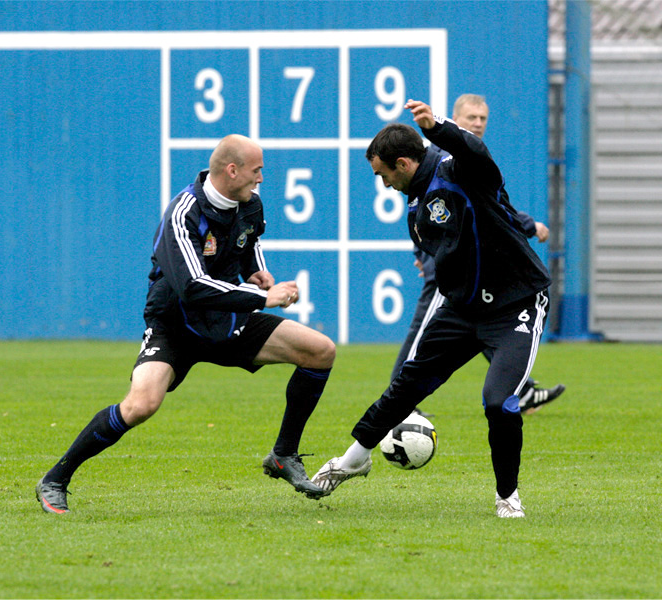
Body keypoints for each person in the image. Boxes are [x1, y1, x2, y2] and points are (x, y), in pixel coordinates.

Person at [35, 134, 335, 513]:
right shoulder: (183, 213)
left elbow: (249, 241)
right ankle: (55, 479)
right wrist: (264, 298)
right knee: (141, 405)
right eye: (257, 170)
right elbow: (193, 287)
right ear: (232, 170)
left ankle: (283, 455)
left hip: (227, 320)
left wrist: (256, 271)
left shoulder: (250, 203)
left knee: (320, 351)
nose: (261, 178)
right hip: (175, 326)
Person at [311, 100, 553, 518]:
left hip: (516, 304)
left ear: (403, 164)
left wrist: (437, 126)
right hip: (463, 309)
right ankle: (353, 460)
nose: (383, 183)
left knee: (499, 402)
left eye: (383, 174)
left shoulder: (458, 171)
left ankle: (507, 496)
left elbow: (476, 151)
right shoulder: (417, 200)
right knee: (407, 384)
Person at [393, 94, 564, 417]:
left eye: (483, 119)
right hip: (449, 264)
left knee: (480, 327)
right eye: (471, 118)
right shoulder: (442, 158)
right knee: (425, 330)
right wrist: (422, 253)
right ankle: (400, 405)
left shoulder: (466, 156)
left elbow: (492, 207)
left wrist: (526, 225)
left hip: (467, 266)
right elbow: (421, 208)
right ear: (455, 119)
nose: (478, 123)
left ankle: (523, 390)